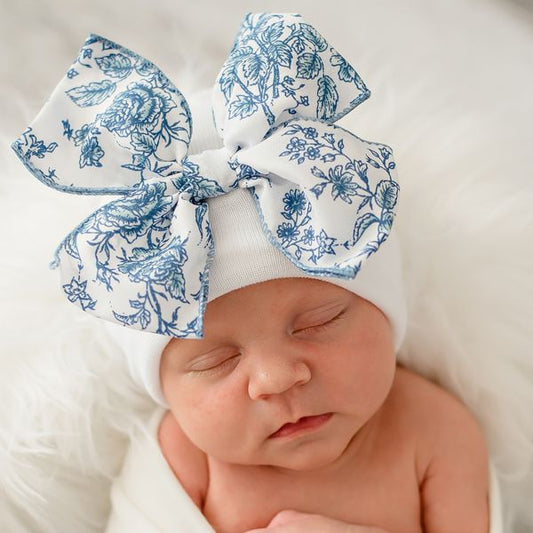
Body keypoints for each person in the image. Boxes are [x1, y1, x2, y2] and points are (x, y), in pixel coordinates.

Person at [12, 12, 493, 533]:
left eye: (319, 321)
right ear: (167, 391)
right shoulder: (183, 458)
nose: (276, 378)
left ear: (386, 311)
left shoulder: (435, 431)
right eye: (214, 361)